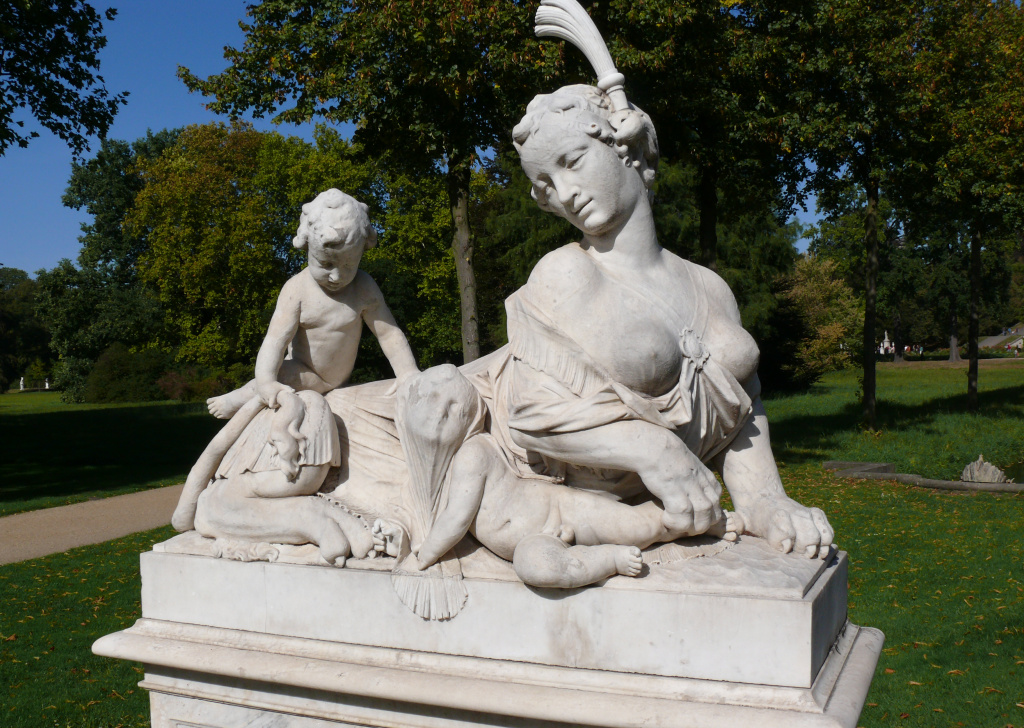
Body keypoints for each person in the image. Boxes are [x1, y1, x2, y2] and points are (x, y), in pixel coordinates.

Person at [474, 85, 833, 559]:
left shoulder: (710, 287)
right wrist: (655, 450)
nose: (565, 194)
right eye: (546, 186)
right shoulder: (565, 273)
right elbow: (531, 416)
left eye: (573, 161)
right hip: (551, 496)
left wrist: (764, 499)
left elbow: (741, 408)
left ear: (630, 147)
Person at [373, 366, 733, 589]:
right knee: (539, 569)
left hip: (558, 510)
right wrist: (401, 537)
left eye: (444, 413)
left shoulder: (473, 453)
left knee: (639, 525)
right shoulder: (460, 459)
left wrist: (424, 557)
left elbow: (455, 519)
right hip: (532, 541)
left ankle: (707, 522)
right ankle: (610, 559)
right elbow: (436, 514)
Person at [207, 189, 418, 418]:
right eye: (326, 264)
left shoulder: (364, 287)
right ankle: (238, 398)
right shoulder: (297, 289)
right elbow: (275, 341)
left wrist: (407, 372)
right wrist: (267, 381)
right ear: (307, 247)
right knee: (280, 375)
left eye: (348, 266)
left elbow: (388, 333)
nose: (336, 276)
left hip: (340, 380)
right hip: (305, 372)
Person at [188, 389, 374, 565]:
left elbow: (182, 519)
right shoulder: (295, 396)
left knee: (210, 507)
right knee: (218, 503)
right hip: (309, 441)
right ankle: (334, 522)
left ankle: (313, 523)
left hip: (287, 455)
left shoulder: (270, 400)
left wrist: (253, 401)